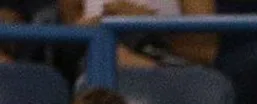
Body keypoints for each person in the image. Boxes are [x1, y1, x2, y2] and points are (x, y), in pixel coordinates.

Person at [60, 0, 216, 68]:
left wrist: (149, 23)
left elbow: (205, 53)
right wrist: (92, 27)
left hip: (168, 68)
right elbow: (68, 35)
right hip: (98, 64)